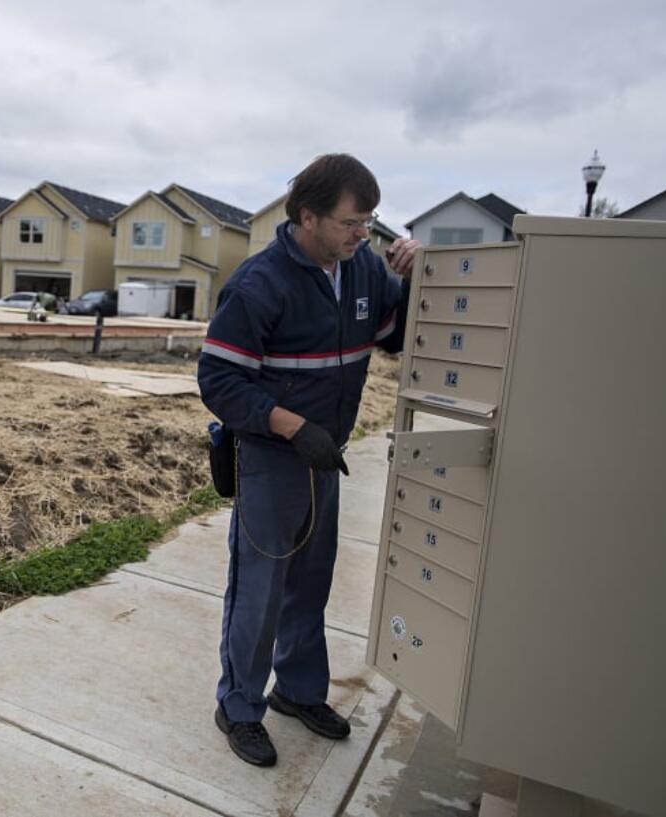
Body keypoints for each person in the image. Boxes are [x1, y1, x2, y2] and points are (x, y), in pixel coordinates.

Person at [198, 154, 420, 767]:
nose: (362, 234)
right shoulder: (259, 283)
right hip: (273, 460)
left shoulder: (365, 270)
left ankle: (297, 692)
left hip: (327, 457)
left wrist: (420, 275)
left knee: (309, 584)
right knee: (260, 590)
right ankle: (239, 706)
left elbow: (399, 335)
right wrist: (293, 428)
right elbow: (219, 379)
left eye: (369, 223)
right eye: (352, 222)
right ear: (307, 216)